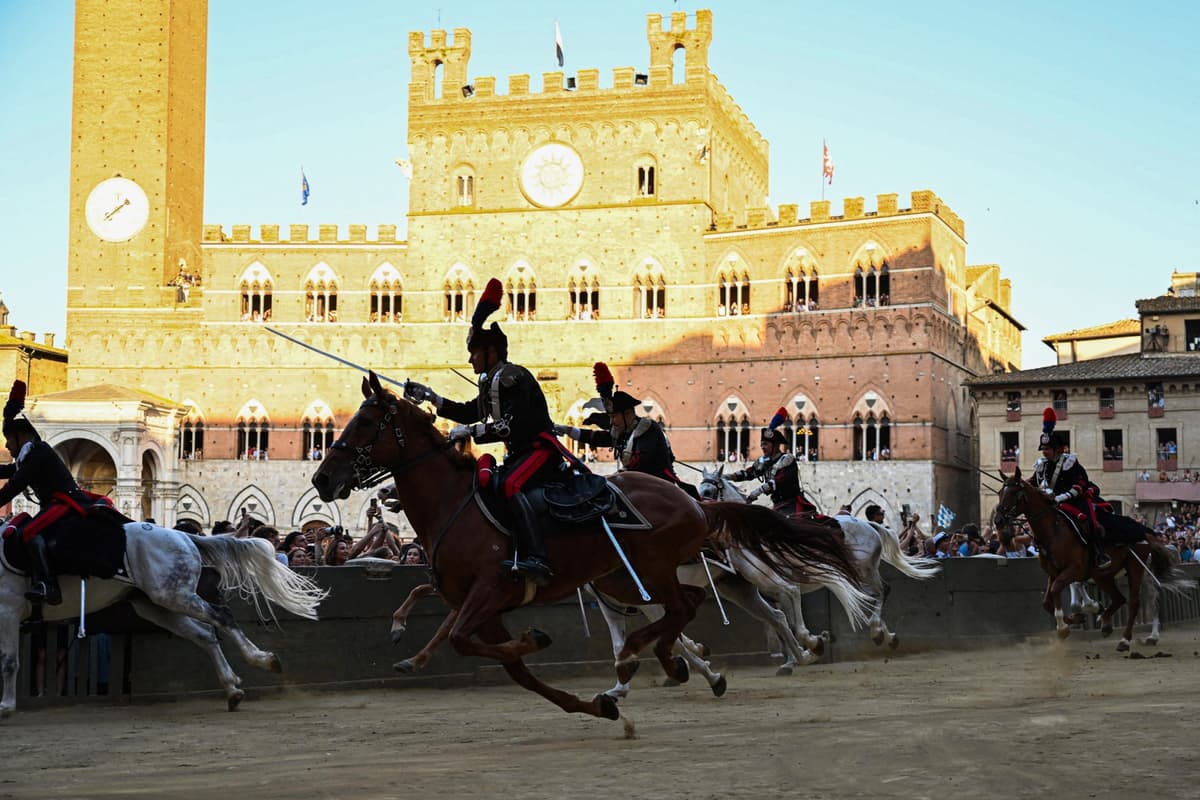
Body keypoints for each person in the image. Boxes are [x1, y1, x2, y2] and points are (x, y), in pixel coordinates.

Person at [403, 277, 565, 586]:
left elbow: (512, 425)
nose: (469, 358)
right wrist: (430, 396)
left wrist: (471, 430)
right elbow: (468, 409)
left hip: (538, 451)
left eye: (474, 352)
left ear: (490, 351)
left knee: (511, 487)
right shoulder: (492, 380)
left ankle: (537, 558)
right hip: (519, 454)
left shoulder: (512, 377)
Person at [0, 380, 109, 606]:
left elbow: (14, 485)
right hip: (53, 505)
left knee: (28, 532)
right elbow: (10, 470)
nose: (8, 446)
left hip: (65, 503)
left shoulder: (37, 454)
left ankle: (48, 585)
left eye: (9, 440)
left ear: (20, 436)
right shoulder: (30, 455)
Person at [554, 362, 700, 500]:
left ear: (628, 413)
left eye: (614, 416)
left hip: (658, 490)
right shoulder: (624, 431)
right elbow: (597, 437)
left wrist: (613, 478)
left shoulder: (647, 429)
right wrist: (567, 430)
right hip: (637, 487)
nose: (611, 422)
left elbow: (640, 462)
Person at [1031, 408, 1110, 569]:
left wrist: (1058, 498)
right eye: (1043, 449)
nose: (1044, 452)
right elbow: (1033, 482)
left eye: (1047, 449)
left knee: (1089, 521)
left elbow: (1080, 485)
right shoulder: (1042, 465)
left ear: (1058, 449)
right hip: (1052, 504)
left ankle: (1099, 553)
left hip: (1073, 501)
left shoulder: (1070, 463)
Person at [728, 408, 819, 518]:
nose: (762, 447)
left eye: (765, 444)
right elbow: (750, 473)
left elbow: (778, 481)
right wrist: (728, 477)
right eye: (762, 444)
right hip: (778, 505)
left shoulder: (787, 459)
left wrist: (757, 492)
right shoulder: (764, 461)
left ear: (775, 445)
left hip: (792, 505)